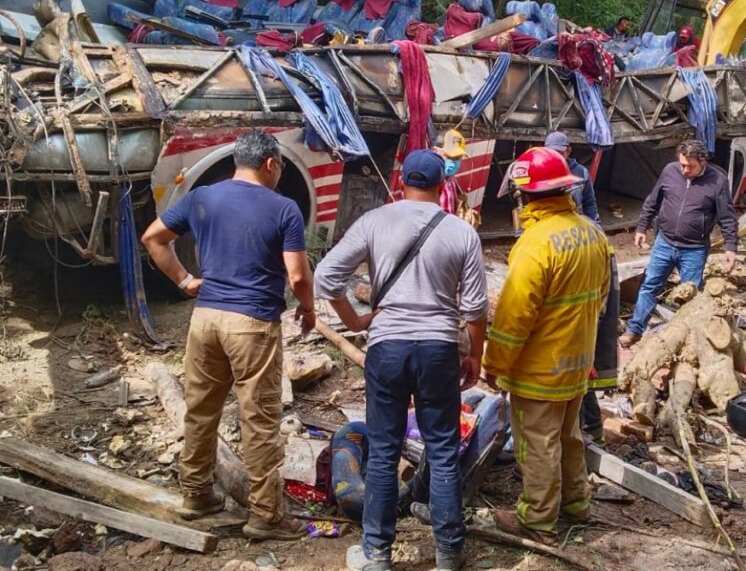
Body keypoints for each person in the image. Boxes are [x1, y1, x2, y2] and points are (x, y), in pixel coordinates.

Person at [314, 149, 489, 571]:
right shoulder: (461, 232)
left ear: (401, 183)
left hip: (387, 347)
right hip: (439, 349)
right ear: (442, 187)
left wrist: (354, 319)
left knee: (385, 448)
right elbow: (476, 309)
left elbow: (325, 277)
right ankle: (449, 553)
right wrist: (475, 357)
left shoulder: (375, 221)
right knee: (443, 449)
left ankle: (376, 555)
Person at [141, 130, 315, 540]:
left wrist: (184, 280)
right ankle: (265, 516)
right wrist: (307, 309)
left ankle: (196, 494)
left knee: (201, 410)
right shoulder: (284, 208)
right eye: (280, 167)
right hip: (252, 323)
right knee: (260, 418)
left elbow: (153, 238)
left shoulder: (203, 197)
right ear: (270, 164)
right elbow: (297, 275)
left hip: (205, 320)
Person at [484, 147, 610, 545]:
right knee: (570, 437)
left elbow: (513, 317)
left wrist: (495, 363)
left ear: (525, 195)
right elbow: (602, 299)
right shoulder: (592, 233)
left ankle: (537, 520)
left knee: (538, 444)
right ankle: (576, 504)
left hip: (540, 368)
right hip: (577, 364)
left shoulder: (536, 244)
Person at [619, 141, 738, 348]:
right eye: (682, 164)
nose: (684, 170)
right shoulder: (670, 171)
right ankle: (634, 330)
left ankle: (686, 342)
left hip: (694, 249)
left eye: (689, 166)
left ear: (703, 161)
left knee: (690, 296)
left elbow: (727, 216)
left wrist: (731, 246)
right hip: (664, 243)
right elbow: (652, 201)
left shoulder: (717, 181)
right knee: (649, 287)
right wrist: (641, 228)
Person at [542, 131, 619, 443]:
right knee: (578, 368)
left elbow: (591, 210)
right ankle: (585, 427)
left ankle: (587, 427)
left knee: (579, 369)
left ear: (568, 150)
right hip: (577, 311)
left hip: (574, 315)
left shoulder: (580, 175)